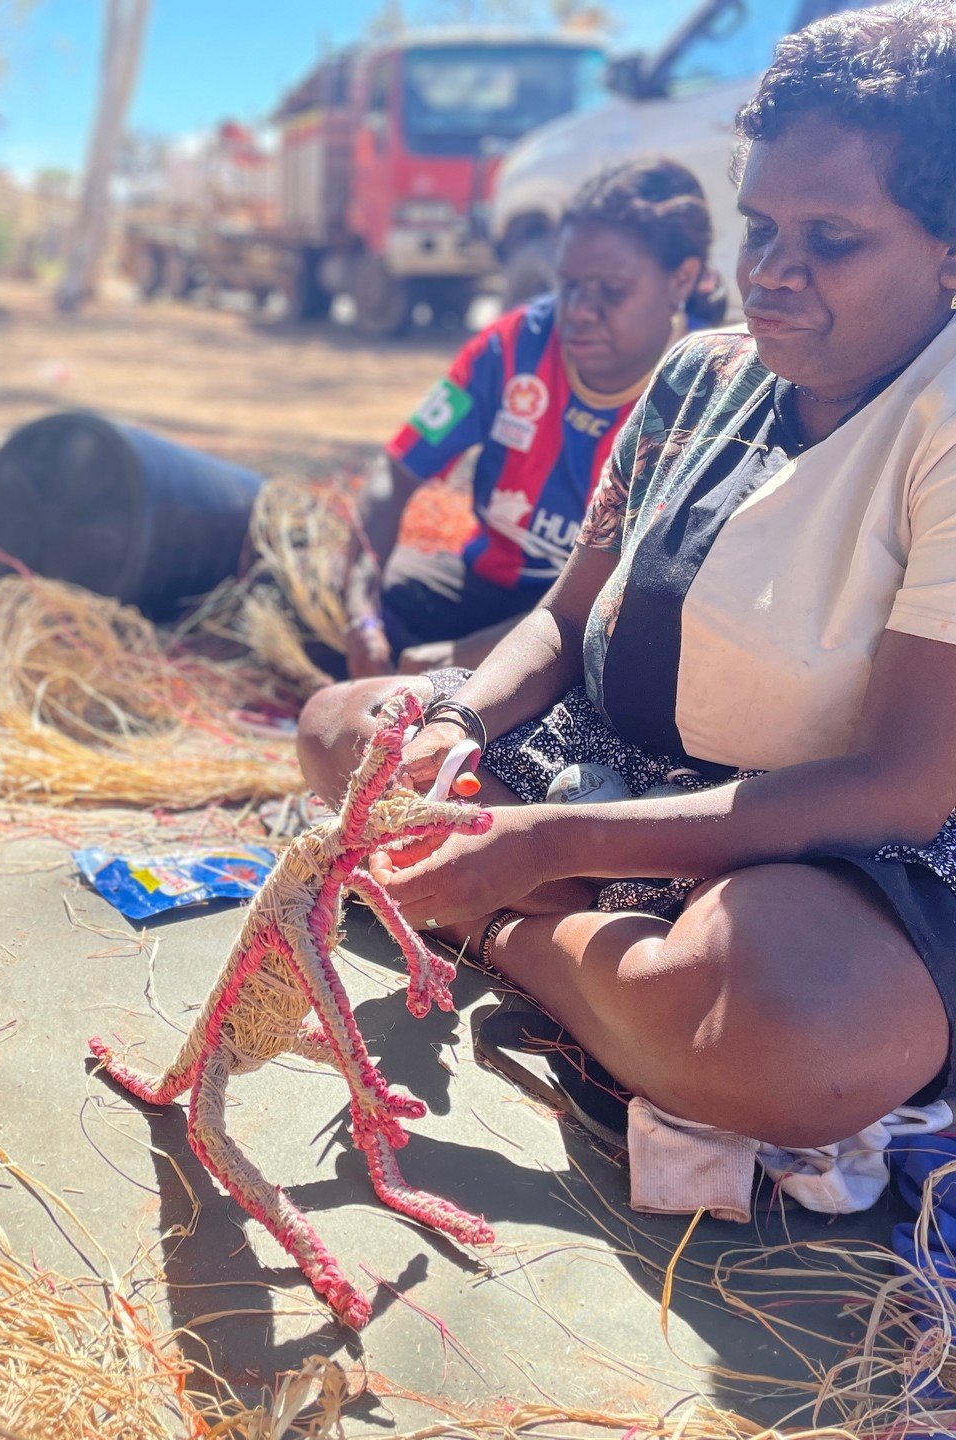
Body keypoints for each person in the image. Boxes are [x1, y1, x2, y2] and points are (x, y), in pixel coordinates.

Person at [299, 1, 956, 1189]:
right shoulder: (700, 375)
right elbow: (564, 615)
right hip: (604, 768)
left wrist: (535, 852)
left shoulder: (942, 423)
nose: (773, 272)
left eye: (832, 238)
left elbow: (903, 790)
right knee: (349, 728)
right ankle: (612, 962)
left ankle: (510, 931)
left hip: (821, 849)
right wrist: (458, 725)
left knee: (807, 1038)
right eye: (761, 226)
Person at [344, 158, 726, 680]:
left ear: (681, 278)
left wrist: (464, 658)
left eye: (611, 291)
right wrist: (361, 614)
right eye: (568, 285)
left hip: (590, 625)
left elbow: (629, 597)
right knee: (343, 594)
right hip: (485, 590)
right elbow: (396, 472)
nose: (580, 311)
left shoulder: (708, 389)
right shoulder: (511, 345)